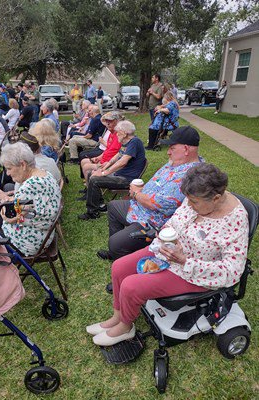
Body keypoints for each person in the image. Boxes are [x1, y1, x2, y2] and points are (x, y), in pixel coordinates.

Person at [87, 163, 249, 346]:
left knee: (131, 286)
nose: (190, 205)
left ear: (216, 198)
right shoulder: (197, 198)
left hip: (194, 271)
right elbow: (176, 219)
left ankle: (125, 327)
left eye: (194, 202)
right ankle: (117, 316)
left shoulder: (235, 220)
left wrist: (186, 261)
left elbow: (233, 269)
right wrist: (165, 232)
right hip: (169, 252)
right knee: (119, 267)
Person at [98, 126, 202, 262]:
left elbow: (155, 205)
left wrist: (135, 193)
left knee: (115, 242)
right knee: (113, 206)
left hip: (153, 222)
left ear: (186, 149)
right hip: (140, 208)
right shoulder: (176, 163)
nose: (168, 152)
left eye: (172, 148)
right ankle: (119, 253)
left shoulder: (189, 175)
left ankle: (120, 256)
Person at [0, 142, 61, 257]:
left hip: (27, 240)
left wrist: (3, 214)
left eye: (9, 168)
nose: (7, 173)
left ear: (22, 164)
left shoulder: (30, 185)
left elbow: (11, 217)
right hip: (38, 232)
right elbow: (18, 204)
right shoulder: (43, 173)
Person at [78, 120, 146, 221]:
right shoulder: (126, 142)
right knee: (91, 174)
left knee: (94, 179)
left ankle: (92, 212)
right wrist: (103, 168)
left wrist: (104, 173)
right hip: (120, 174)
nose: (116, 134)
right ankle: (100, 205)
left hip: (127, 179)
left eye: (118, 132)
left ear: (124, 133)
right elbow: (116, 156)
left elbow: (122, 162)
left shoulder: (135, 142)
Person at [78, 111, 123, 187]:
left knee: (86, 166)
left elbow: (119, 155)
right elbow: (108, 149)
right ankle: (88, 186)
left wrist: (107, 164)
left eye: (110, 121)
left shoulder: (120, 136)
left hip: (108, 164)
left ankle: (90, 190)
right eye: (107, 121)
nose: (107, 123)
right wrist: (98, 157)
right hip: (104, 160)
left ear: (117, 122)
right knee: (83, 161)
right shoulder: (111, 133)